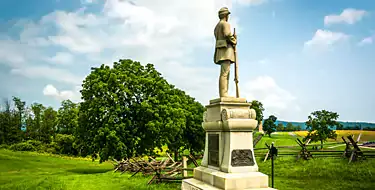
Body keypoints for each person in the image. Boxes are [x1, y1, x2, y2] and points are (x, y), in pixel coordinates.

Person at [214, 7, 237, 97]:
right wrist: (234, 40)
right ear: (225, 15)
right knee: (225, 73)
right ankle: (224, 94)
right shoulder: (225, 24)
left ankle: (224, 93)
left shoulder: (217, 26)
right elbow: (227, 34)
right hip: (226, 50)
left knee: (224, 73)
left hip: (220, 50)